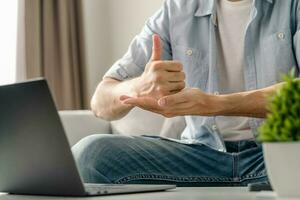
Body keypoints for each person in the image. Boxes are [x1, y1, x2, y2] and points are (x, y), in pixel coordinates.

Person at [72, 0, 299, 186]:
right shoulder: (177, 10)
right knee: (91, 155)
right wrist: (139, 86)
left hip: (279, 154)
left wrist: (215, 104)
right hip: (199, 156)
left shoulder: (292, 5)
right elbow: (101, 102)